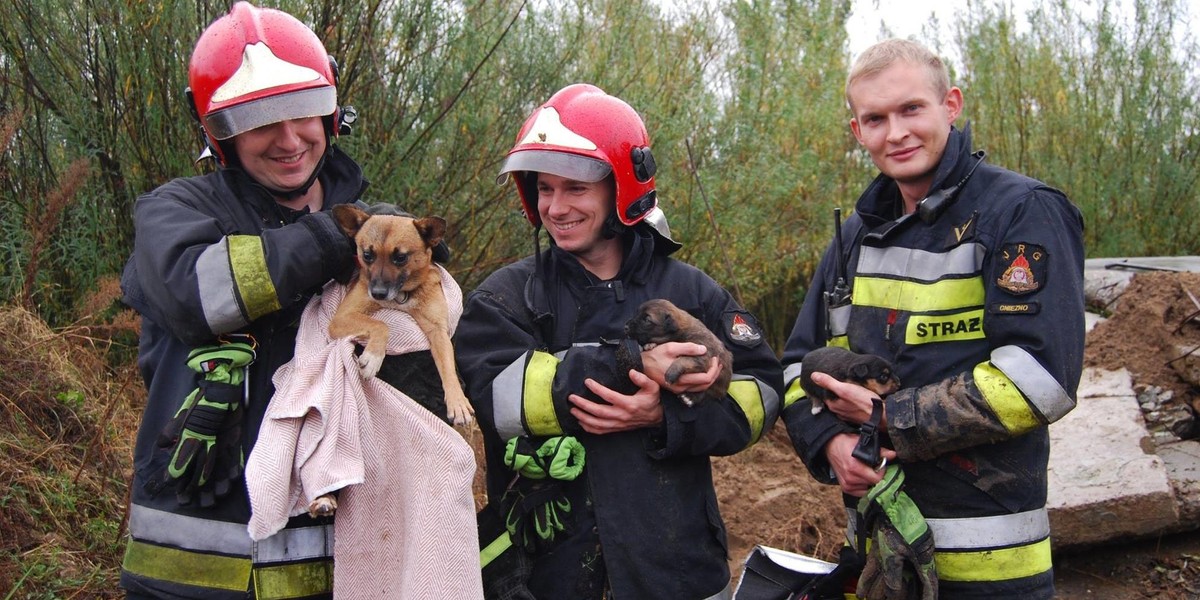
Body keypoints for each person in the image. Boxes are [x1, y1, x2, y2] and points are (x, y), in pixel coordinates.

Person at [118, 3, 444, 597]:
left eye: (302, 112)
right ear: (219, 132)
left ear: (331, 113)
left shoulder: (386, 236)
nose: (289, 138)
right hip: (192, 565)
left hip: (340, 555)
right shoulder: (175, 211)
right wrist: (334, 237)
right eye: (259, 120)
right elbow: (199, 296)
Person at [779, 39, 1085, 599]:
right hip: (880, 559)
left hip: (992, 570)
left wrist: (890, 417)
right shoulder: (853, 236)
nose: (895, 133)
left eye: (911, 109)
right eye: (875, 118)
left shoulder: (1021, 211)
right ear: (857, 132)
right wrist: (829, 443)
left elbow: (1040, 379)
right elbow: (799, 365)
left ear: (951, 105)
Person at [456, 83, 783, 599]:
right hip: (547, 575)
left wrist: (670, 416)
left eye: (576, 188)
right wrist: (632, 364)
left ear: (622, 189)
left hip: (678, 573)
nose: (556, 207)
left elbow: (761, 391)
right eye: (544, 188)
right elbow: (495, 398)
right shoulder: (506, 297)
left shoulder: (692, 291)